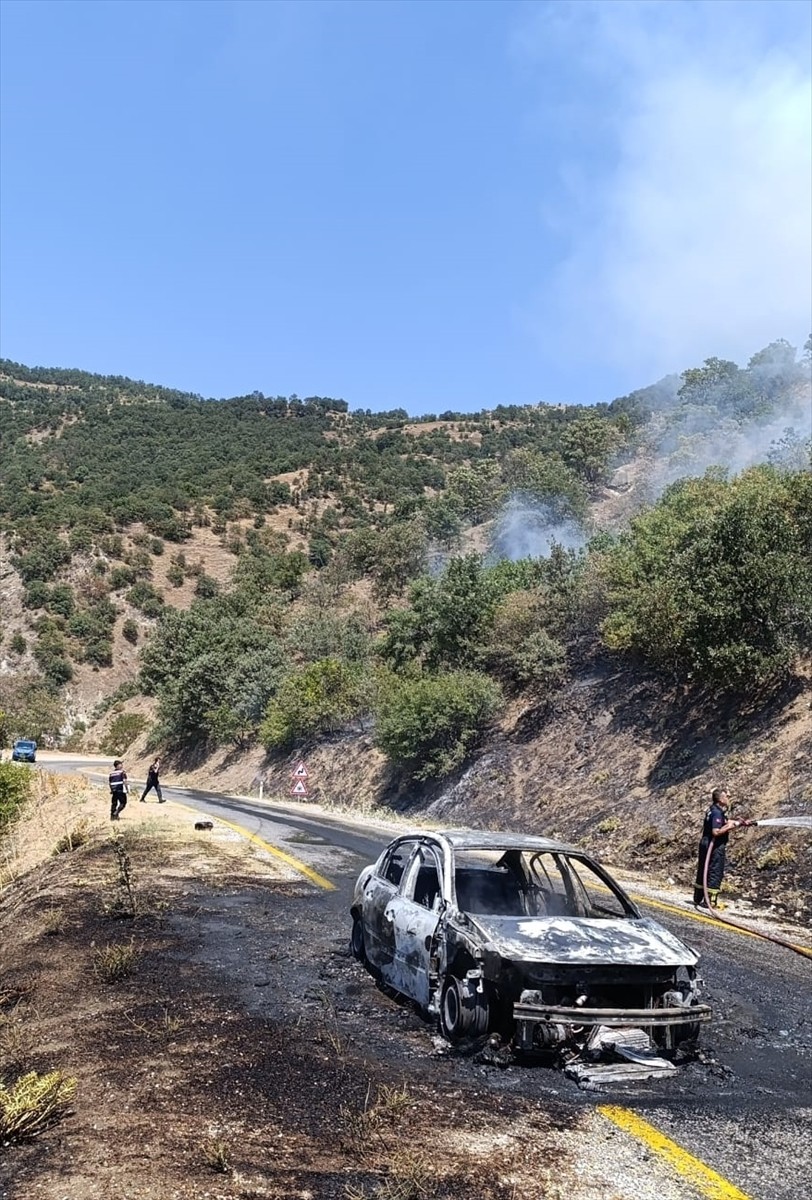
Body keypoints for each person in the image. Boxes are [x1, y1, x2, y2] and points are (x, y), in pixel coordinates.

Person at [693, 787, 747, 908]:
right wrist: (731, 826)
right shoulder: (717, 812)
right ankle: (710, 901)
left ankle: (698, 897)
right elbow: (716, 831)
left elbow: (724, 821)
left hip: (705, 843)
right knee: (715, 871)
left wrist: (741, 823)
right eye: (726, 796)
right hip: (715, 846)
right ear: (720, 798)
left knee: (703, 869)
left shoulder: (712, 810)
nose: (728, 798)